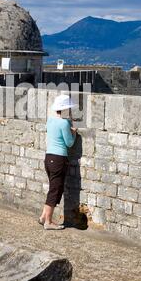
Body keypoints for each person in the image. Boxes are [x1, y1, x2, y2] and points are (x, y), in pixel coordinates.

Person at [39, 94, 78, 231]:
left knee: (53, 189)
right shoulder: (64, 123)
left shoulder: (50, 120)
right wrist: (73, 133)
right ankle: (48, 222)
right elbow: (69, 143)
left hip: (48, 157)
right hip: (59, 159)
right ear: (65, 109)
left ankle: (44, 216)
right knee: (55, 190)